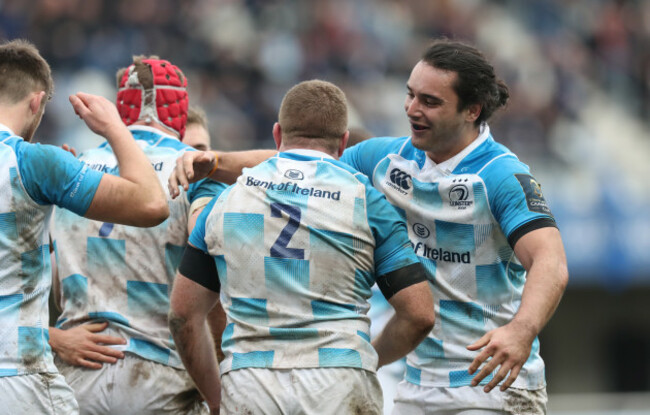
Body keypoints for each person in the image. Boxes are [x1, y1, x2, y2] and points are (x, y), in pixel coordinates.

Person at [168, 39, 569, 414]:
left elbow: (549, 260)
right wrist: (217, 162)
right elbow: (301, 161)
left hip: (490, 386)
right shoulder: (388, 159)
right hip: (417, 388)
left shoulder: (500, 175)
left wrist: (521, 331)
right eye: (410, 94)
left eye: (429, 101)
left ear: (472, 110)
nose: (412, 109)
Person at [168, 79, 435, 414]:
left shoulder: (225, 201)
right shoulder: (367, 200)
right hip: (339, 380)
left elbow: (183, 315)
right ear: (343, 143)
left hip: (251, 383)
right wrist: (364, 359)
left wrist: (216, 398)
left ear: (277, 134)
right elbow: (420, 315)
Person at [48, 55, 226, 415]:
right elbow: (211, 250)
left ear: (119, 106)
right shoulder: (194, 169)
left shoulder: (72, 167)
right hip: (162, 375)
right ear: (180, 108)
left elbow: (47, 280)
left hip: (79, 376)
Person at [0, 39, 168, 415]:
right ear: (35, 102)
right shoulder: (36, 162)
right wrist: (114, 129)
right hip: (17, 379)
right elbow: (152, 204)